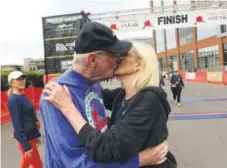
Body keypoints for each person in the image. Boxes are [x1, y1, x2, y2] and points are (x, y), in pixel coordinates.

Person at [40, 22, 168, 168]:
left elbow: (103, 128)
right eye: (114, 55)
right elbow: (75, 164)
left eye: (121, 56)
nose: (117, 60)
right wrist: (138, 160)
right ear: (93, 60)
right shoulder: (56, 96)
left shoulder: (94, 83)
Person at [7, 71, 42, 168]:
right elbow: (17, 124)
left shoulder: (22, 97)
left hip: (31, 137)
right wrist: (26, 146)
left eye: (22, 78)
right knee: (38, 165)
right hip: (26, 140)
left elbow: (29, 116)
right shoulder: (14, 100)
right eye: (18, 79)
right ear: (12, 83)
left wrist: (36, 134)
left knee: (26, 163)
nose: (22, 81)